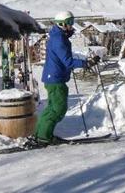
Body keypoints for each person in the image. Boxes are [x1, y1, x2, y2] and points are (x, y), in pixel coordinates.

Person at [33, 11, 96, 147]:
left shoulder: (58, 36)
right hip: (56, 78)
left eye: (72, 22)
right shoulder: (59, 39)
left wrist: (85, 61)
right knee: (58, 109)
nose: (72, 25)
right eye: (70, 22)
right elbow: (68, 61)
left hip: (54, 77)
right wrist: (86, 63)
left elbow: (64, 57)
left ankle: (40, 134)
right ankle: (43, 137)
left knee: (52, 108)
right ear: (62, 24)